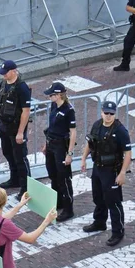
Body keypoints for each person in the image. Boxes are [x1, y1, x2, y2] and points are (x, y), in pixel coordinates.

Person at [81, 100, 132, 246]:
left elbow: (128, 153)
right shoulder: (97, 125)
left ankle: (118, 231)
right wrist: (84, 159)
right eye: (106, 113)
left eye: (111, 114)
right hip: (98, 167)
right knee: (98, 197)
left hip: (112, 170)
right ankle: (99, 222)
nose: (108, 116)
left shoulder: (120, 131)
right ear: (101, 112)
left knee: (113, 202)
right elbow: (90, 143)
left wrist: (122, 173)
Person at [0, 60, 32, 200]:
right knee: (8, 153)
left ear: (13, 71)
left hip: (16, 128)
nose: (3, 75)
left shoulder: (22, 87)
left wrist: (21, 132)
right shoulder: (3, 84)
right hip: (4, 126)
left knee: (20, 158)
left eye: (5, 72)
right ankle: (14, 179)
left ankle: (26, 187)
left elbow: (26, 111)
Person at [42, 82, 76, 222]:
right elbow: (51, 127)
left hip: (61, 146)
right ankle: (59, 201)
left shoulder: (69, 110)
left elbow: (73, 133)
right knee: (53, 174)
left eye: (52, 94)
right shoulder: (53, 105)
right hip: (51, 144)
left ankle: (69, 209)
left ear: (59, 95)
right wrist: (46, 145)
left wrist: (69, 154)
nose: (49, 96)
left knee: (64, 177)